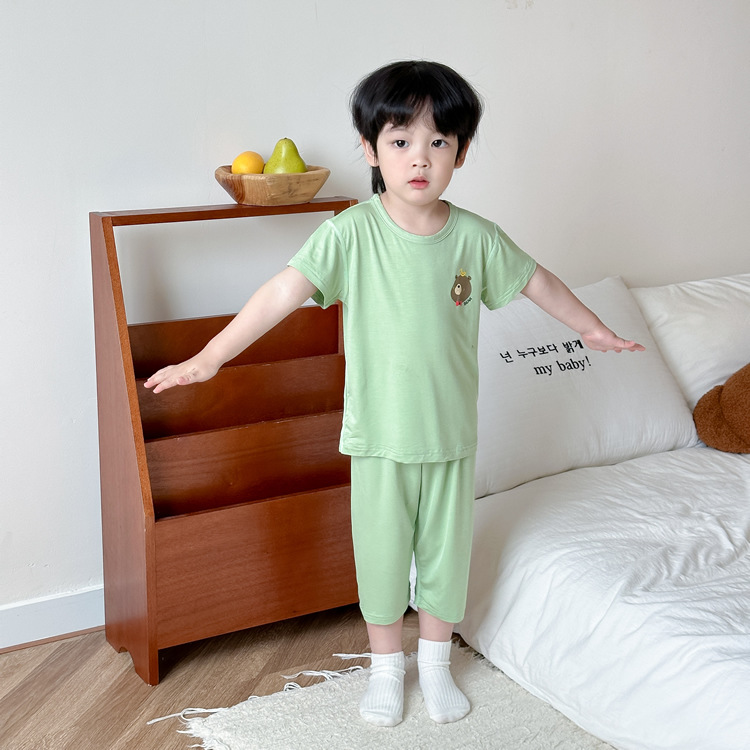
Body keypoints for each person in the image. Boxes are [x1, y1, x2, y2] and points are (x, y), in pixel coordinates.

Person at [145, 60, 644, 728]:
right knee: (381, 560)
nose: (420, 158)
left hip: (450, 436)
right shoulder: (352, 233)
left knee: (445, 558)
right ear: (370, 149)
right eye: (401, 140)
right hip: (379, 437)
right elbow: (282, 292)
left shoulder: (475, 237)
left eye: (439, 142)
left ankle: (435, 665)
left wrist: (592, 328)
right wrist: (209, 357)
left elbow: (538, 281)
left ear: (461, 152)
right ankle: (386, 668)